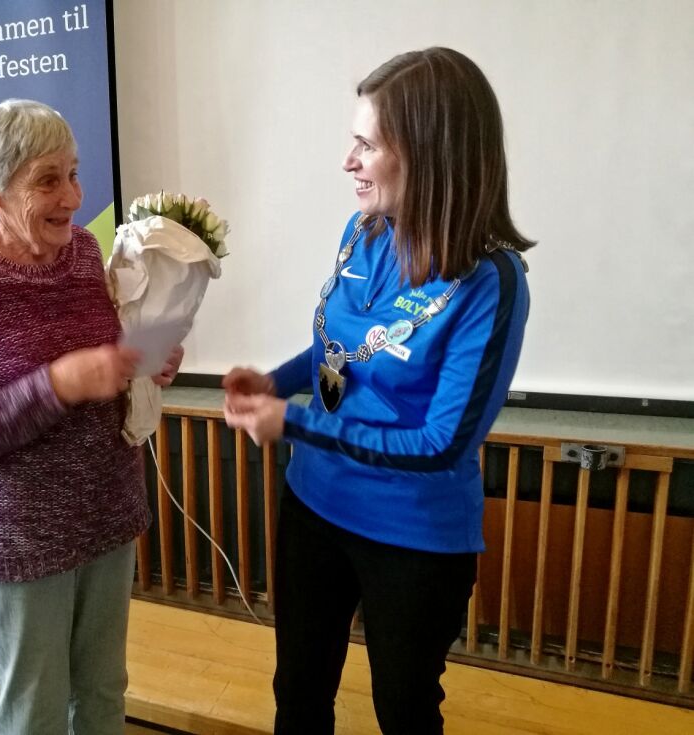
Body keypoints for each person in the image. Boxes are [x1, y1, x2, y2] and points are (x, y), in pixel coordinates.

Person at [223, 48, 532, 734]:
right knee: (298, 690)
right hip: (312, 503)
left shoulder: (490, 280)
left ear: (426, 152)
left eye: (365, 143)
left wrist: (293, 421)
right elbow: (342, 352)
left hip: (412, 536)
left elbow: (438, 444)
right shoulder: (359, 232)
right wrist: (274, 382)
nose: (347, 161)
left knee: (404, 709)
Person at [0, 99, 182, 735]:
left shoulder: (85, 252)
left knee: (105, 691)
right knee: (35, 708)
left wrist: (144, 364)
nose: (74, 197)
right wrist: (55, 385)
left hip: (106, 517)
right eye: (47, 180)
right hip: (16, 540)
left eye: (75, 173)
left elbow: (106, 361)